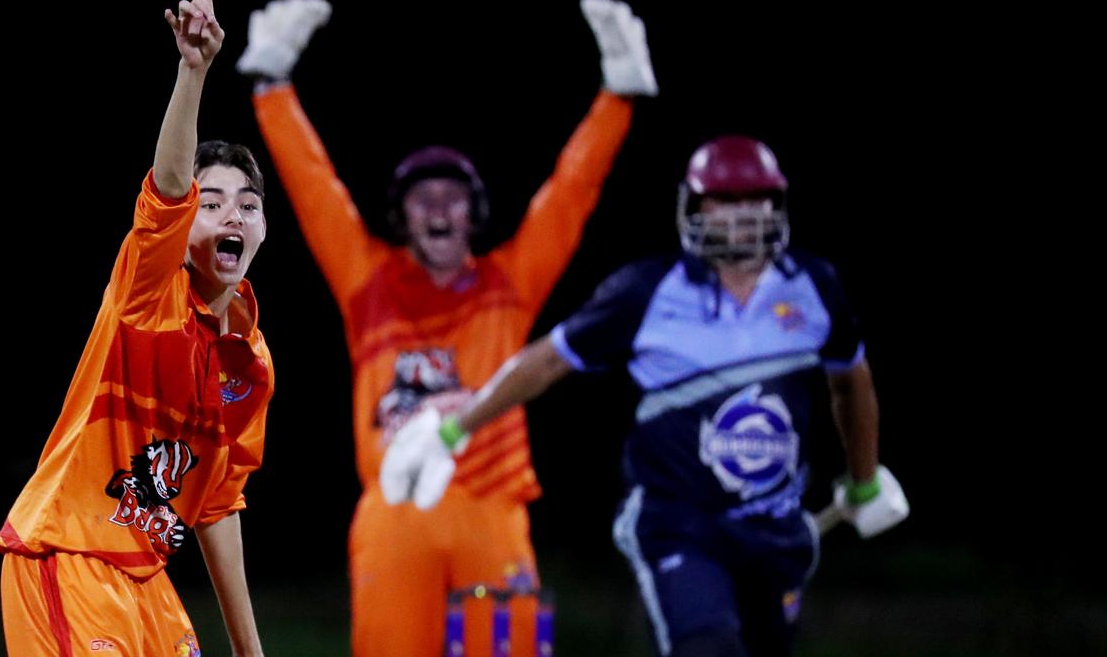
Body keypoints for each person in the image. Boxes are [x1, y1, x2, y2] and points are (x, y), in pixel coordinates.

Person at [235, 0, 657, 657]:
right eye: (422, 198)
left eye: (452, 197)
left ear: (473, 214)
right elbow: (315, 188)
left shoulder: (506, 285)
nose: (437, 209)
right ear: (403, 217)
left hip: (491, 509)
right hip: (394, 512)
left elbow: (569, 193)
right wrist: (272, 87)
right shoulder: (369, 284)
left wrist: (618, 97)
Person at [384, 135, 910, 657]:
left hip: (774, 529)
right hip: (682, 526)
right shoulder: (647, 292)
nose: (744, 216)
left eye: (757, 200)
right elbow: (545, 362)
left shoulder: (814, 289)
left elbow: (852, 384)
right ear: (695, 207)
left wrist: (863, 480)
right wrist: (457, 428)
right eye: (726, 202)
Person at [0, 0, 274, 657]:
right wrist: (194, 72)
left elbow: (214, 504)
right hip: (67, 556)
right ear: (184, 238)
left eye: (248, 204)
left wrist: (249, 648)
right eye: (213, 205)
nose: (230, 214)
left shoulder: (250, 359)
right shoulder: (151, 290)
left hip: (147, 580)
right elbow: (169, 189)